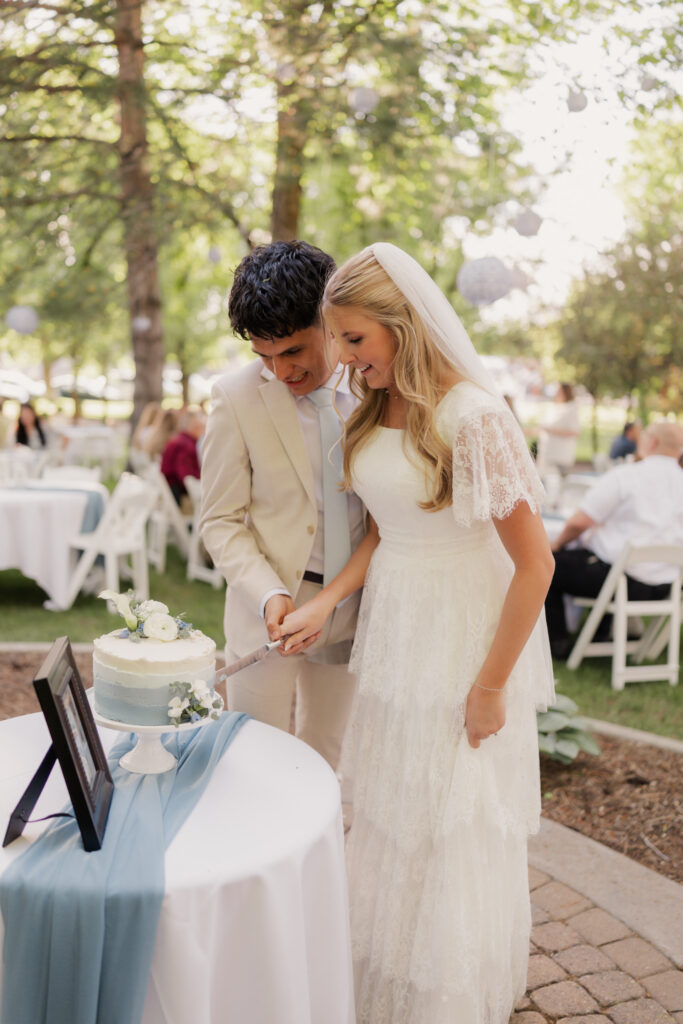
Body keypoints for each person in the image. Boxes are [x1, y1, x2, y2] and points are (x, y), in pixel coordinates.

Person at [279, 243, 555, 1024]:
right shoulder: (375, 402)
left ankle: (447, 998)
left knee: (449, 818)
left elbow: (533, 567)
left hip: (460, 631)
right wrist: (324, 601)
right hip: (398, 622)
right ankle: (385, 981)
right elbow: (390, 529)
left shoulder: (473, 417)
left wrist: (490, 687)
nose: (344, 357)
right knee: (395, 809)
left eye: (356, 339)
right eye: (341, 340)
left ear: (403, 325)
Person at [199, 240, 364, 778]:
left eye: (293, 351)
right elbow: (220, 520)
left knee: (326, 756)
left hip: (357, 609)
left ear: (330, 320)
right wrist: (269, 592)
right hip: (266, 613)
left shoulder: (377, 388)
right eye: (263, 356)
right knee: (254, 765)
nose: (279, 371)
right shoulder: (234, 398)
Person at [545, 420, 683, 660]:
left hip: (620, 581)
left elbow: (578, 523)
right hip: (668, 585)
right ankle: (599, 632)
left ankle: (558, 642)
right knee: (603, 558)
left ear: (652, 442)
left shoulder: (627, 475)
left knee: (548, 565)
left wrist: (556, 545)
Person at [160, 406, 205, 508]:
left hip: (170, 491)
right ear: (195, 427)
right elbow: (185, 475)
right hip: (177, 495)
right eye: (202, 427)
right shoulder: (186, 445)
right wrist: (205, 477)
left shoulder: (180, 440)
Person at [535, 381, 580, 478]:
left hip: (560, 455)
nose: (557, 393)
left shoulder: (571, 409)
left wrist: (551, 430)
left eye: (559, 391)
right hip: (546, 453)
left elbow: (575, 432)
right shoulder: (553, 408)